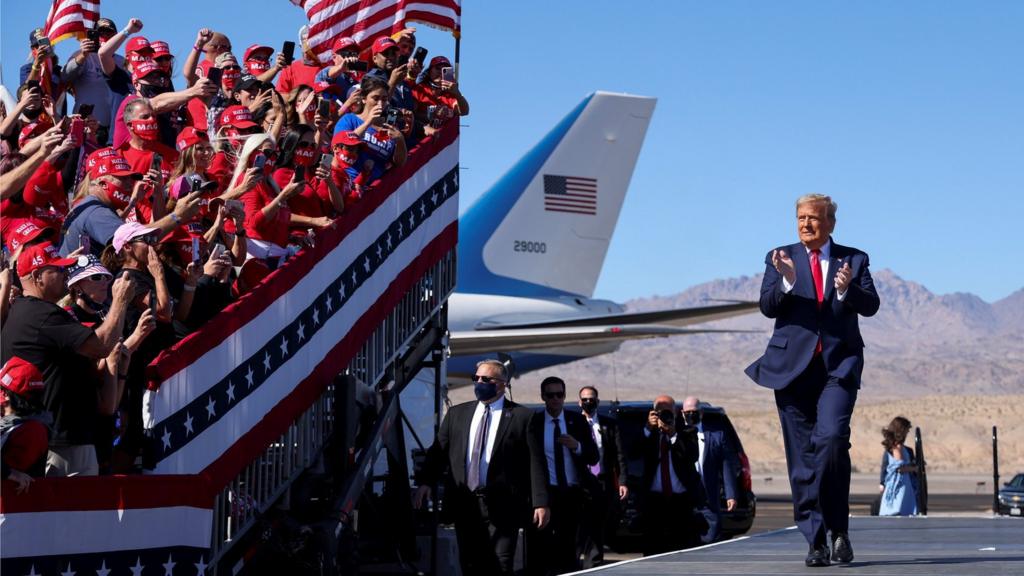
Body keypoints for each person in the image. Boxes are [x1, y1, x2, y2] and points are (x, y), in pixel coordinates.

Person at [745, 193, 880, 567]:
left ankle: (840, 530)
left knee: (833, 440)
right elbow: (768, 306)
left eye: (814, 218)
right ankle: (816, 540)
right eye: (802, 218)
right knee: (802, 460)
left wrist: (845, 288)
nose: (806, 224)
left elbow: (870, 305)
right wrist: (786, 281)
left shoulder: (854, 259)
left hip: (838, 367)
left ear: (830, 223)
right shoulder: (780, 256)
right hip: (791, 370)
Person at [1, 242, 135, 476]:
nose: (65, 274)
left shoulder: (26, 310)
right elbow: (102, 345)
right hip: (62, 443)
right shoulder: (41, 314)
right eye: (58, 270)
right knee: (75, 510)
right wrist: (120, 300)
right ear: (37, 277)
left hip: (55, 437)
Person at [412, 359, 549, 576]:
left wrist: (541, 502)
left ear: (503, 383)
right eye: (476, 378)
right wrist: (426, 481)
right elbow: (438, 452)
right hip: (465, 502)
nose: (479, 383)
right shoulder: (457, 414)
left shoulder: (523, 417)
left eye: (486, 379)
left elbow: (536, 461)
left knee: (501, 563)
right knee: (470, 561)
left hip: (504, 504)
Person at [526, 376, 598, 575]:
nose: (555, 399)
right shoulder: (535, 422)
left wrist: (577, 446)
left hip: (572, 494)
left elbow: (593, 457)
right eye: (550, 395)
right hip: (546, 493)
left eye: (559, 394)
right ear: (543, 397)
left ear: (565, 396)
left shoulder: (577, 421)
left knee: (569, 549)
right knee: (542, 549)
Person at [640, 395, 705, 555]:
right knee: (653, 548)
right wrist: (648, 428)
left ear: (675, 412)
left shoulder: (687, 431)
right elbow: (634, 453)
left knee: (681, 547)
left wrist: (674, 434)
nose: (664, 416)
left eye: (668, 412)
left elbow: (692, 456)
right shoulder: (649, 433)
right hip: (654, 500)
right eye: (660, 412)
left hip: (680, 501)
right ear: (653, 413)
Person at [576, 385, 627, 568]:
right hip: (580, 485)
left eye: (592, 399)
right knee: (578, 529)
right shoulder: (574, 423)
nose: (588, 402)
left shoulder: (609, 424)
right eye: (585, 399)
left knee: (598, 528)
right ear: (579, 402)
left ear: (598, 401)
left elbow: (620, 455)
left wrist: (622, 482)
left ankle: (594, 566)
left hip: (602, 483)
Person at [682, 396, 740, 543]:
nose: (690, 415)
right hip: (683, 499)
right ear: (682, 413)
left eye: (693, 411)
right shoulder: (676, 434)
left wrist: (731, 495)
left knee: (710, 539)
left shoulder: (716, 436)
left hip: (708, 499)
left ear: (701, 413)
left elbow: (726, 465)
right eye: (687, 412)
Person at [333, 75, 407, 183]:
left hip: (373, 191)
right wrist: (368, 122)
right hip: (346, 183)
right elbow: (341, 147)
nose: (380, 104)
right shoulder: (349, 120)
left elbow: (400, 163)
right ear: (364, 99)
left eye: (384, 99)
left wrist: (400, 140)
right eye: (375, 98)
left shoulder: (389, 129)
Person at [878, 416, 918, 516]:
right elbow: (899, 468)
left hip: (901, 483)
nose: (907, 433)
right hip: (901, 484)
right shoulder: (897, 447)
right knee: (899, 509)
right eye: (906, 431)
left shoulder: (896, 446)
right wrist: (915, 468)